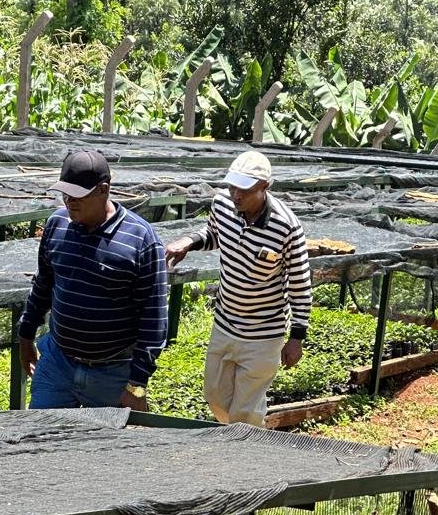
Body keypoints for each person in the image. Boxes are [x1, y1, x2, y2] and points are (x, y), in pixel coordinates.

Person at [164, 149, 311, 426]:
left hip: (263, 334)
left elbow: (300, 284)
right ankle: (237, 438)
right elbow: (214, 234)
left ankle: (245, 448)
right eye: (232, 186)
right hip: (225, 323)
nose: (236, 195)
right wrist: (189, 241)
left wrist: (296, 337)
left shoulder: (287, 227)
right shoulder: (222, 203)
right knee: (215, 397)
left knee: (245, 412)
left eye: (244, 189)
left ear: (265, 186)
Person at [17, 149, 168, 411]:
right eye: (65, 194)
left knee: (111, 438)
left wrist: (137, 384)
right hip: (58, 362)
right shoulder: (57, 224)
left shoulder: (140, 239)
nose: (69, 202)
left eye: (77, 195)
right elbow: (43, 284)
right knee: (40, 433)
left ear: (103, 190)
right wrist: (26, 336)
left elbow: (153, 317)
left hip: (113, 372)